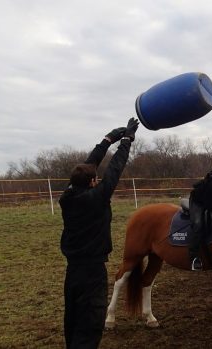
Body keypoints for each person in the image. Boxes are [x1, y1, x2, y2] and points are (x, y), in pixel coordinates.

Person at [59, 117, 139, 349]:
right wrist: (126, 140)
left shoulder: (68, 196)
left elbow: (86, 167)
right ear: (93, 182)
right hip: (92, 273)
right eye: (96, 179)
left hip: (73, 272)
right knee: (91, 324)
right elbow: (115, 170)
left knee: (73, 321)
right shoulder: (95, 199)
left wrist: (107, 140)